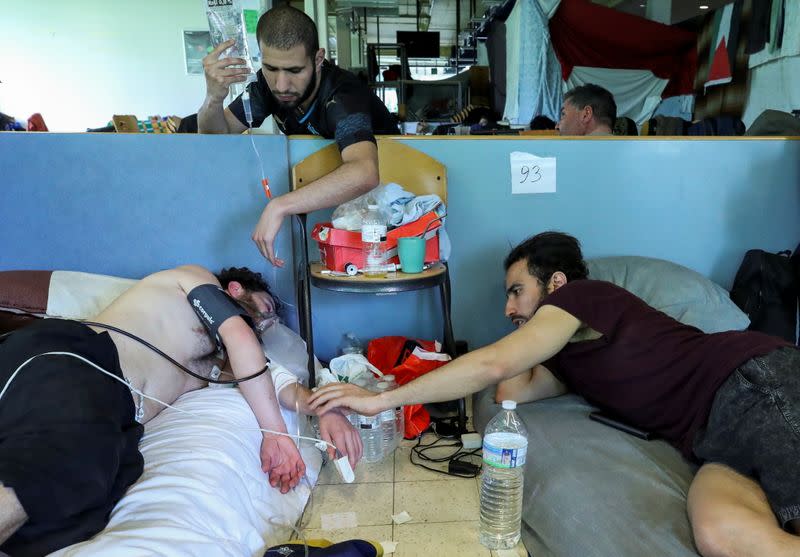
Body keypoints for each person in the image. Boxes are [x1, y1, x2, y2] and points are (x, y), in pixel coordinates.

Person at [309, 231, 800, 557]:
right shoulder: (571, 356)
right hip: (712, 440)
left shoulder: (583, 296)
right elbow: (510, 389)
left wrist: (376, 399)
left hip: (751, 383)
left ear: (556, 284)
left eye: (517, 291)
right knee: (719, 534)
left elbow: (494, 363)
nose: (507, 308)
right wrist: (533, 341)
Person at [0, 265, 360, 555]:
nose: (266, 323)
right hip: (76, 361)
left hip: (112, 411)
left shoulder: (223, 362)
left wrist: (326, 411)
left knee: (74, 510)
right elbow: (240, 336)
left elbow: (277, 382)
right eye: (265, 309)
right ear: (235, 290)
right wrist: (275, 433)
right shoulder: (192, 280)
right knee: (55, 460)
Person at [198, 6, 399, 267]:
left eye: (294, 71)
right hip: (337, 211)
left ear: (317, 59)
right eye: (271, 68)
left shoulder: (343, 96)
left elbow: (365, 172)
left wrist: (280, 205)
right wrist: (213, 97)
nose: (281, 85)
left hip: (387, 210)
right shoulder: (265, 88)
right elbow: (214, 138)